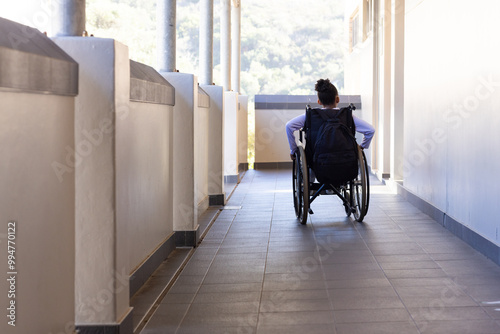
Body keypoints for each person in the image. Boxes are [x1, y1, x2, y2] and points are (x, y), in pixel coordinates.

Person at [286, 78, 375, 160]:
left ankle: (312, 176)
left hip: (317, 160)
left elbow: (289, 126)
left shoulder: (311, 115)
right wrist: (362, 147)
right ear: (337, 99)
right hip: (344, 159)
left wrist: (293, 150)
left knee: (310, 162)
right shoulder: (347, 115)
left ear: (319, 102)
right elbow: (370, 130)